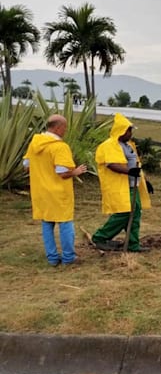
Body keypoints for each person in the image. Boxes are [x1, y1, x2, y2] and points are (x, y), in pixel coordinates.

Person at [23, 114, 88, 266]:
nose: (65, 131)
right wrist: (76, 171)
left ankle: (52, 258)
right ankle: (68, 257)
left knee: (47, 223)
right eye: (64, 127)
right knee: (65, 223)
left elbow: (26, 167)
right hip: (58, 193)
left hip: (41, 191)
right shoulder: (60, 147)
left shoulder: (35, 143)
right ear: (58, 127)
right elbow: (62, 173)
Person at [91, 113, 153, 252]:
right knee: (124, 213)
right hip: (121, 187)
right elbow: (111, 164)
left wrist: (144, 181)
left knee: (135, 214)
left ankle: (133, 244)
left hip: (133, 185)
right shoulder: (109, 145)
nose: (130, 133)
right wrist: (130, 172)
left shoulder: (128, 145)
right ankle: (100, 237)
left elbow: (136, 164)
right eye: (128, 130)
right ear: (121, 130)